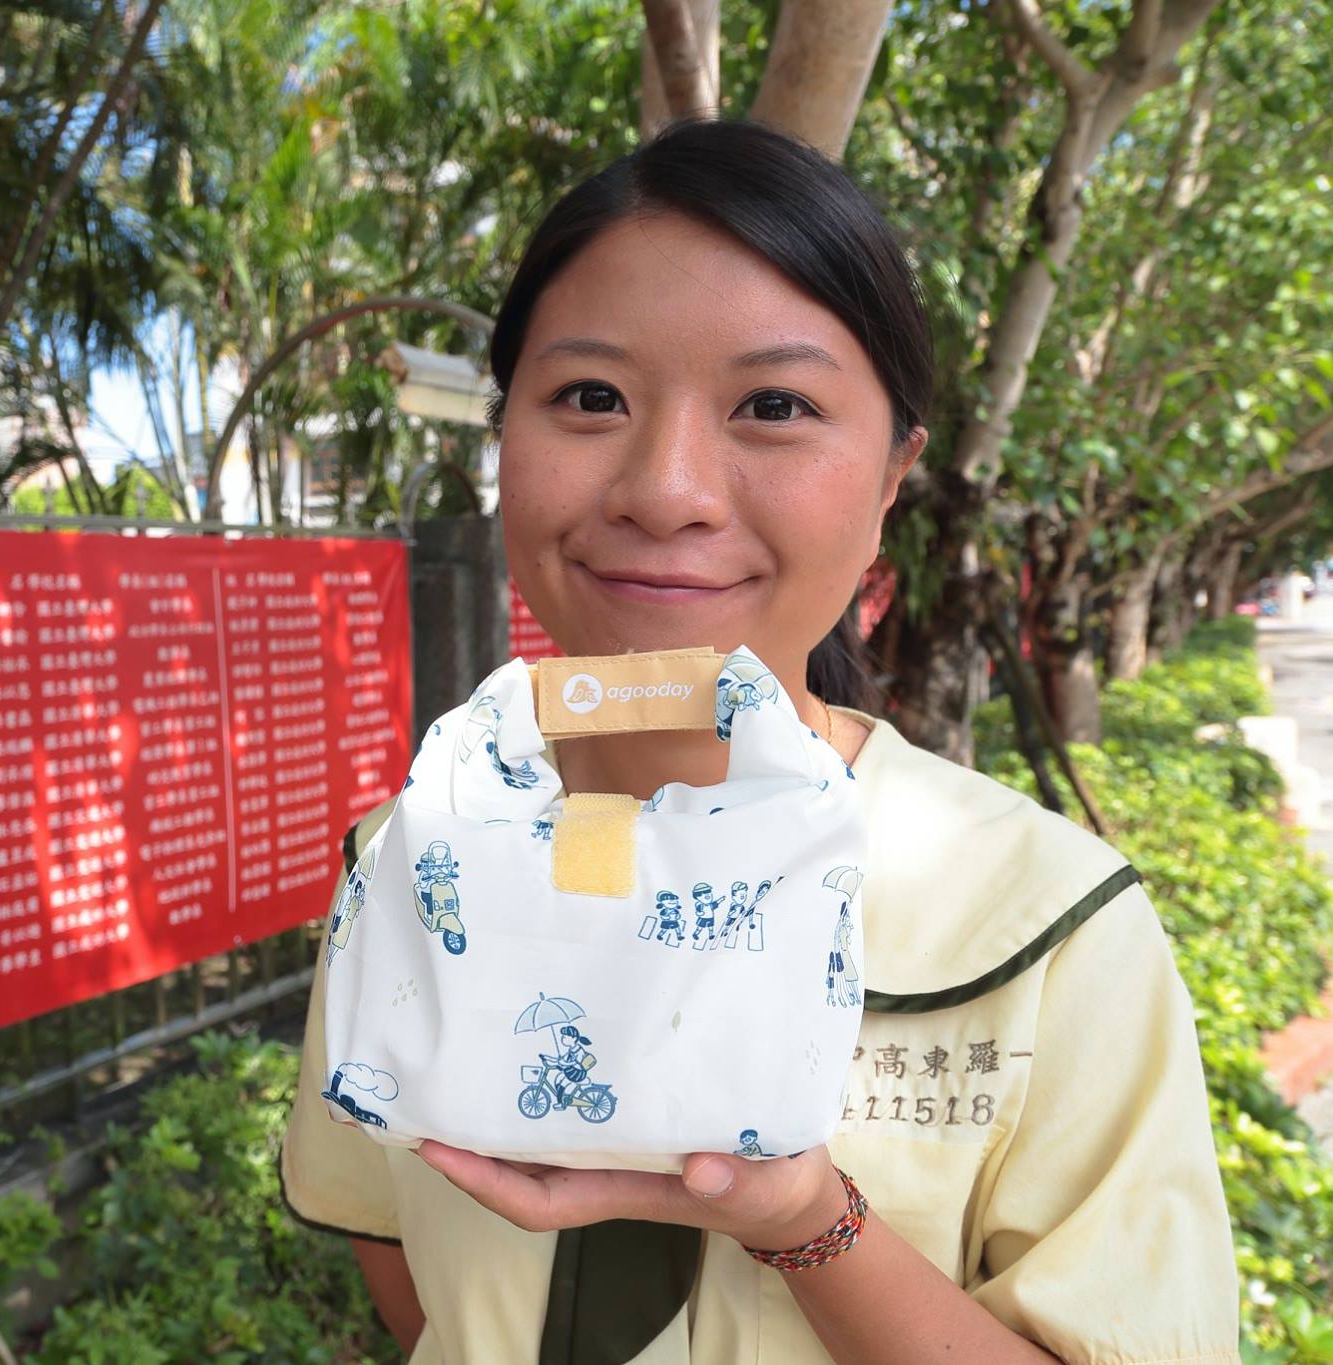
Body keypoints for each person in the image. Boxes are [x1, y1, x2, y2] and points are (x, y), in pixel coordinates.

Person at [280, 118, 1237, 1365]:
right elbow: (407, 1274)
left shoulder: (1044, 925)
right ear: (501, 431)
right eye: (589, 397)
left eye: (772, 405)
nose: (664, 487)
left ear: (893, 473)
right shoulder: (406, 865)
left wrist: (804, 1220)